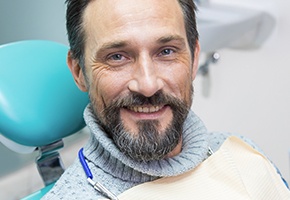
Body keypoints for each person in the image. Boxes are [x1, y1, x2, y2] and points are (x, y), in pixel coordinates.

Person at [43, 0, 289, 199]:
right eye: (117, 57)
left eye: (167, 51)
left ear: (194, 58)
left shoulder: (242, 153)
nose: (148, 85)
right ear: (78, 71)